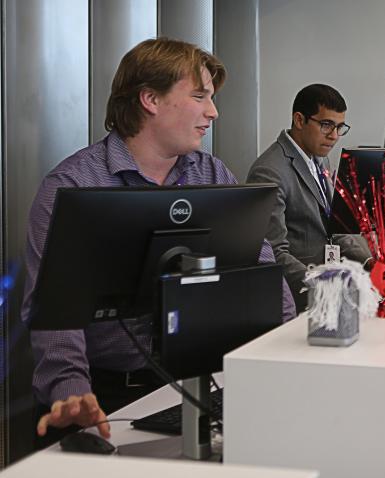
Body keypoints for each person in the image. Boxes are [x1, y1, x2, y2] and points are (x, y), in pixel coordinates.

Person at [25, 38, 296, 444]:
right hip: (106, 398)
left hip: (198, 383)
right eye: (200, 96)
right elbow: (54, 312)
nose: (213, 112)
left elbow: (260, 272)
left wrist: (290, 355)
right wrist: (72, 392)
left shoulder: (213, 175)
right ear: (150, 99)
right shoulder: (72, 185)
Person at [247, 84, 372, 312]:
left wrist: (370, 263)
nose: (334, 136)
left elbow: (333, 227)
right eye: (326, 125)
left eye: (339, 127)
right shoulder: (269, 171)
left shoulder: (319, 158)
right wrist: (325, 286)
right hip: (299, 299)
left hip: (330, 289)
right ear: (299, 120)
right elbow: (273, 252)